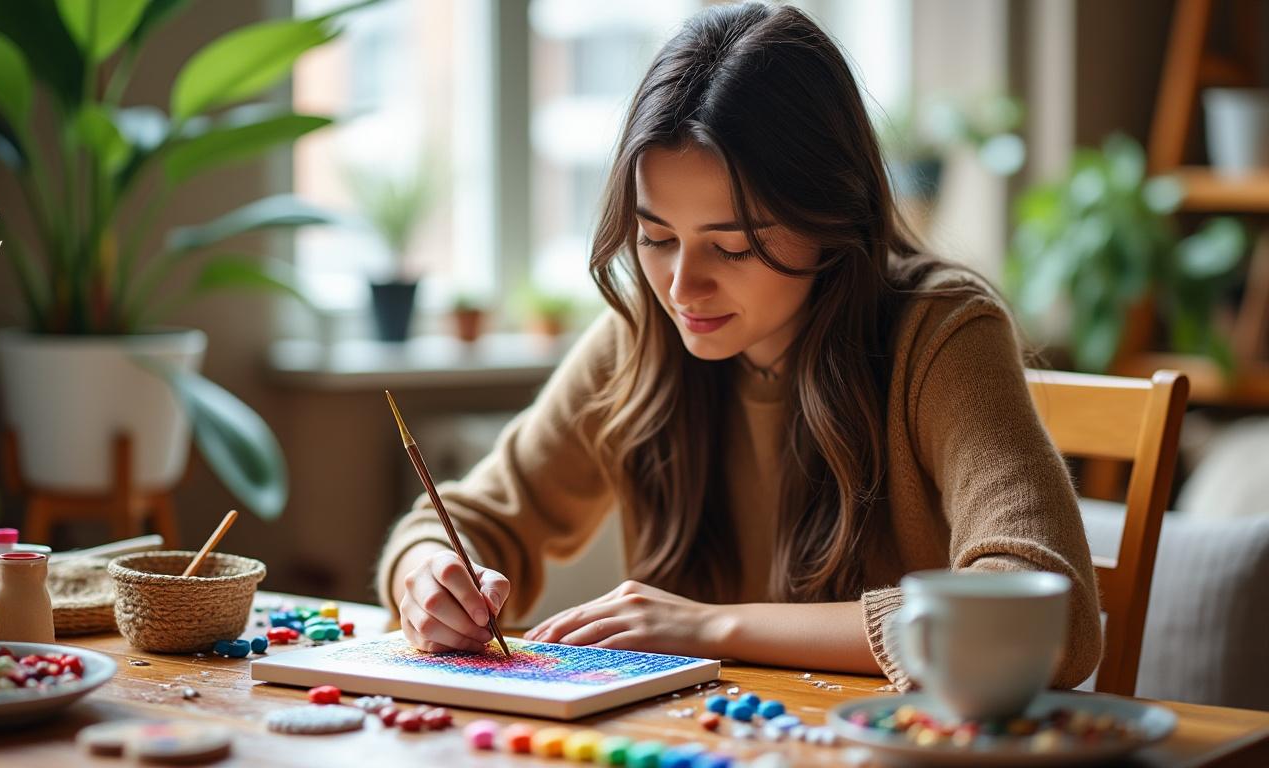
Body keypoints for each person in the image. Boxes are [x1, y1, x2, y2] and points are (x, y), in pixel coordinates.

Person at [376, 1, 1101, 689]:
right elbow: (467, 520)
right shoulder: (642, 335)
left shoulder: (941, 337)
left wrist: (715, 627)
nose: (682, 288)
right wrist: (430, 576)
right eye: (657, 238)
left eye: (733, 247)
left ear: (831, 215)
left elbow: (1052, 618)